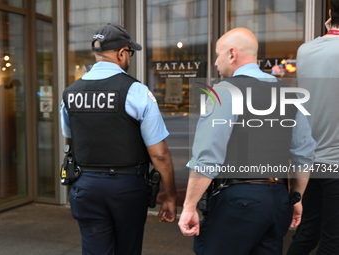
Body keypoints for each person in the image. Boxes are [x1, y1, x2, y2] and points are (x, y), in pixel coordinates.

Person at [178, 27, 316, 255]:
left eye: (217, 54)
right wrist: (296, 198)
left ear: (231, 54)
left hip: (237, 202)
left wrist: (189, 206)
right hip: (277, 199)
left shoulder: (224, 91)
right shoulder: (288, 94)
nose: (215, 62)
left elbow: (207, 158)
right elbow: (304, 154)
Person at [60, 23, 177, 255]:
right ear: (122, 53)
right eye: (129, 53)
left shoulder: (70, 92)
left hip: (85, 186)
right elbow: (159, 154)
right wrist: (170, 196)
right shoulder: (136, 91)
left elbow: (71, 135)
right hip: (126, 188)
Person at [287, 1, 339, 254]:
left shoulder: (305, 51)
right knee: (333, 240)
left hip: (309, 162)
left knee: (308, 232)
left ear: (329, 14)